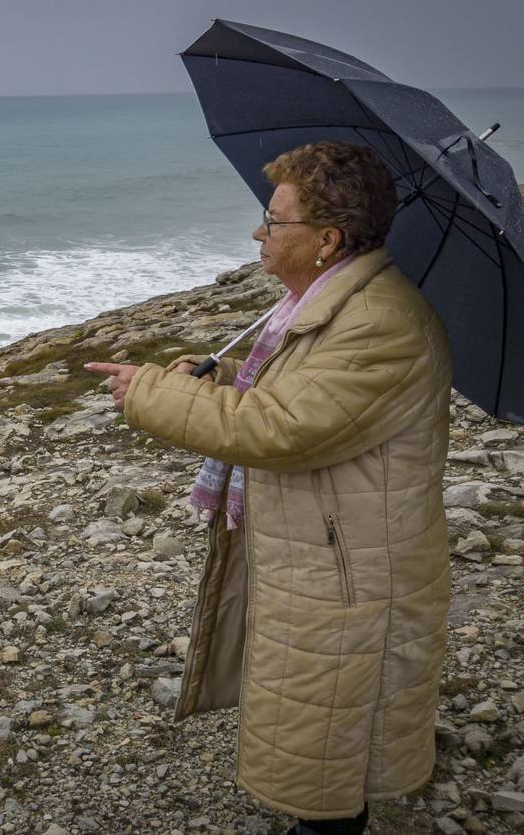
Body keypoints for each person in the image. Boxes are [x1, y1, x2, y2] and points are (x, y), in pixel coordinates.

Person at [85, 141, 453, 834]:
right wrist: (220, 379)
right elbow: (305, 400)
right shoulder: (330, 304)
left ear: (326, 240)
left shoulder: (381, 323)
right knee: (322, 732)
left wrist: (150, 393)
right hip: (332, 559)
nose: (259, 233)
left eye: (274, 221)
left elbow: (279, 428)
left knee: (331, 744)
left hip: (354, 577)